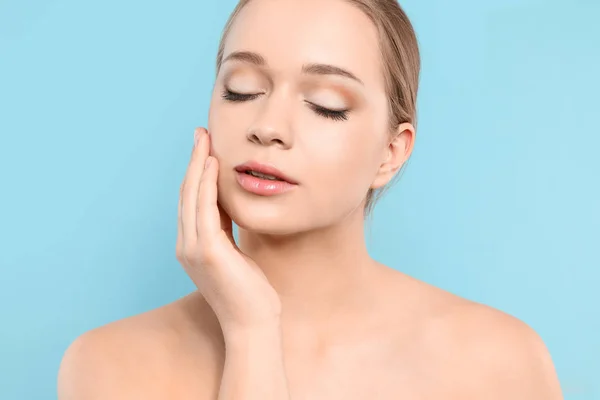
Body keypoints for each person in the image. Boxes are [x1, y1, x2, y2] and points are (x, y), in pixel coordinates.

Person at [57, 0, 563, 398]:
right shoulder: (108, 364)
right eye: (242, 90)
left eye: (326, 105)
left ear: (391, 153)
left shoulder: (498, 362)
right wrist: (251, 330)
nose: (268, 128)